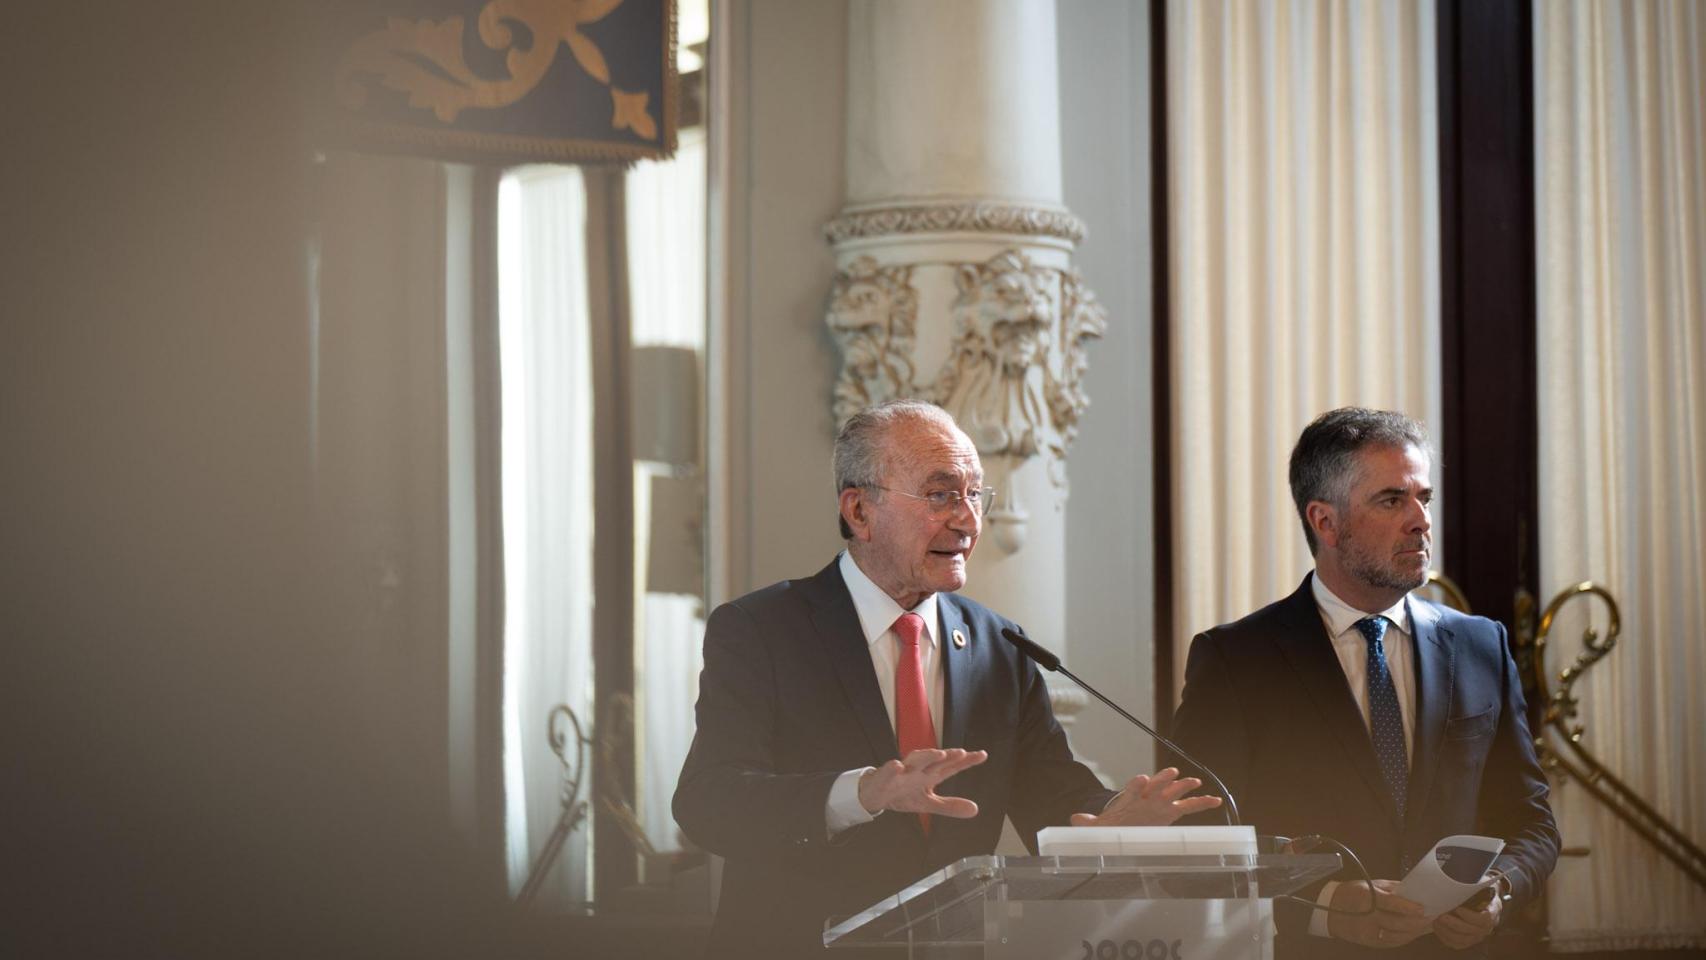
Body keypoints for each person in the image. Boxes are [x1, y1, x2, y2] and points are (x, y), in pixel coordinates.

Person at [674, 400, 1220, 958]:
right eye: (940, 495)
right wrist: (861, 793)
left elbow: (1052, 796)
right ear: (859, 511)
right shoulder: (761, 629)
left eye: (975, 494)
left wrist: (1112, 821)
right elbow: (707, 802)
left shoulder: (1000, 645)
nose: (968, 520)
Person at [1169, 407, 1559, 958]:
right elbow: (1200, 845)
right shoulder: (1235, 660)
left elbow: (1532, 821)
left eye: (1424, 497)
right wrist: (1325, 906)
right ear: (1325, 522)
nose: (1421, 521)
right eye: (1392, 500)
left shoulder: (1481, 645)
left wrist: (1500, 889)